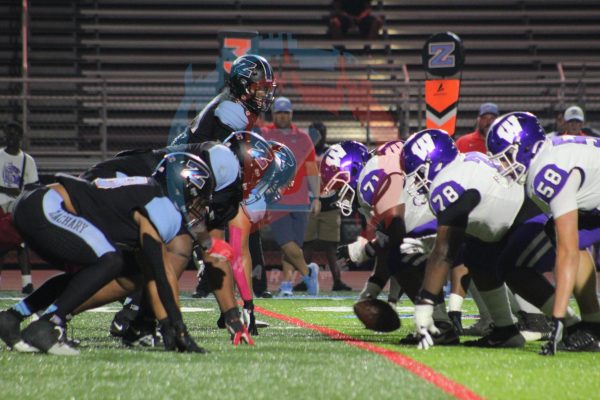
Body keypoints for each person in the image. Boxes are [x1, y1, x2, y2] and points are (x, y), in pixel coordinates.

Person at [0, 152, 212, 354]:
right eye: (198, 200)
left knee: (93, 272)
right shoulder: (161, 205)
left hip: (37, 203)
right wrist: (179, 328)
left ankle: (13, 316)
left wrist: (169, 325)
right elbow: (160, 274)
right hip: (47, 206)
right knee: (111, 261)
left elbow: (152, 273)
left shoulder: (148, 191)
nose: (199, 208)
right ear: (182, 189)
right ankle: (48, 324)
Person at [401, 129, 583, 350]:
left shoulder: (447, 184)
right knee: (477, 257)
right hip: (506, 218)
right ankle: (505, 330)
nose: (417, 183)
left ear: (435, 162)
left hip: (525, 215)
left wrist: (426, 301)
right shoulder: (466, 161)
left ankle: (574, 326)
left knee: (514, 269)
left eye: (419, 173)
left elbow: (445, 251)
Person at [487, 112, 600, 355]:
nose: (502, 166)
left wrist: (558, 316)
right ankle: (592, 324)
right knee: (564, 233)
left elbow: (567, 251)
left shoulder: (546, 172)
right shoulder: (548, 154)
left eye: (505, 158)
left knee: (566, 240)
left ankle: (587, 324)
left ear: (523, 147)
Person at [261, 97, 320, 296]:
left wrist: (317, 197)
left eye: (286, 112)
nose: (283, 116)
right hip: (277, 201)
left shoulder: (303, 137)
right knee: (286, 242)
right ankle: (308, 272)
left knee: (293, 246)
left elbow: (312, 168)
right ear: (273, 114)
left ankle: (286, 284)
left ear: (291, 114)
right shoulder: (265, 134)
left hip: (301, 200)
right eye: (279, 112)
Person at [171, 54, 276, 145]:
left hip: (194, 157)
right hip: (185, 161)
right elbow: (232, 153)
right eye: (261, 89)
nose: (265, 94)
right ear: (243, 85)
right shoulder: (230, 108)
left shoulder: (235, 101)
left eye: (267, 89)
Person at [301, 122, 351, 291]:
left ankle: (337, 280)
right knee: (307, 243)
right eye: (315, 133)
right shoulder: (305, 152)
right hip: (310, 202)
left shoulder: (333, 152)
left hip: (330, 202)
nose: (318, 136)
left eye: (321, 133)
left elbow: (342, 176)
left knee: (331, 245)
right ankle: (304, 278)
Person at [0, 122, 39, 294]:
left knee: (21, 244)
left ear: (20, 138)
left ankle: (27, 283)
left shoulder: (27, 160)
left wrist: (23, 195)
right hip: (0, 204)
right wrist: (6, 189)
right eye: (8, 135)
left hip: (17, 206)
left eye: (14, 135)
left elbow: (33, 185)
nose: (11, 139)